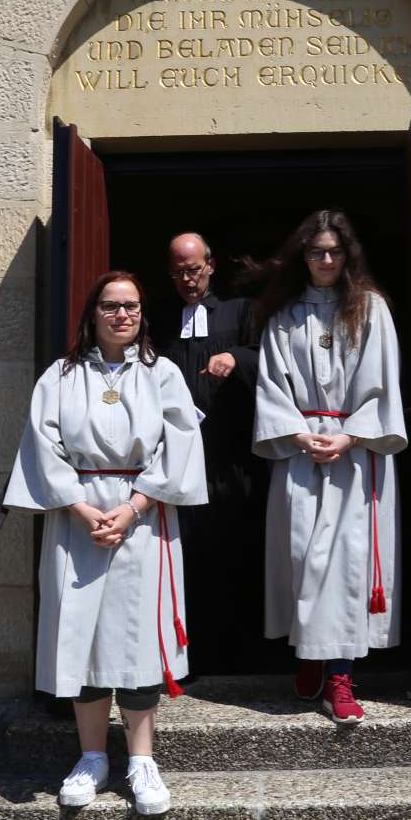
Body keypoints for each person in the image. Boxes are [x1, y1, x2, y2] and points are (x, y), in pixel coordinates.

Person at [4, 270, 207, 816]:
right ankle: (92, 756)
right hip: (79, 519)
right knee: (84, 637)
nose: (123, 315)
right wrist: (80, 506)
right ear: (93, 313)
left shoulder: (161, 373)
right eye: (112, 306)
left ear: (143, 314)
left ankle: (142, 760)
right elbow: (42, 444)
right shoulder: (60, 376)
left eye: (133, 307)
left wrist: (135, 505)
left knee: (136, 638)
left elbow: (181, 440)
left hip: (143, 515)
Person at [252, 210, 407, 726]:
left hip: (354, 453)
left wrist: (349, 434)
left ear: (348, 256)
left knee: (345, 565)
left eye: (333, 252)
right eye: (316, 251)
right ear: (303, 256)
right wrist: (297, 433)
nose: (324, 260)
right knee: (302, 557)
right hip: (299, 451)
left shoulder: (370, 310)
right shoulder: (284, 316)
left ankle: (339, 674)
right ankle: (310, 657)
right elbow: (271, 385)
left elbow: (382, 383)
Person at [155, 233, 265, 672]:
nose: (187, 279)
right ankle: (189, 655)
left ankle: (242, 655)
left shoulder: (240, 311)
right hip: (181, 458)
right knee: (188, 554)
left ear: (211, 266)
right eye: (178, 272)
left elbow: (269, 359)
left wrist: (237, 357)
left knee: (235, 547)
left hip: (229, 454)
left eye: (194, 269)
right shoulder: (163, 320)